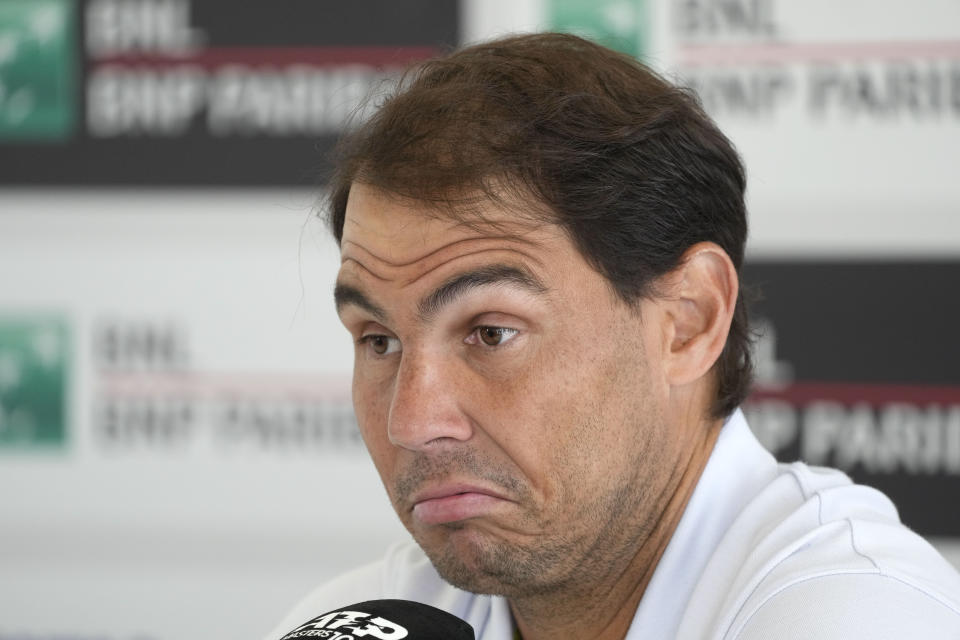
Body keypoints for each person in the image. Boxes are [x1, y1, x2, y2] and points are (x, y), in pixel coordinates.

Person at [265, 33, 960, 639]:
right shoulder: (374, 615)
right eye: (378, 341)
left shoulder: (855, 614)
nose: (413, 421)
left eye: (491, 332)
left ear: (687, 321)